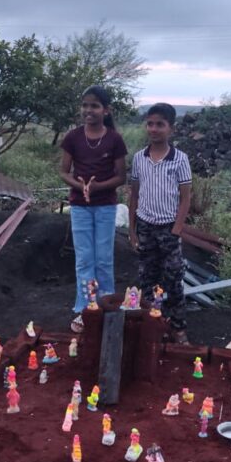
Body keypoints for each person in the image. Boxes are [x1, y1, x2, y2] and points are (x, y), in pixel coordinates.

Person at [59, 85, 128, 333]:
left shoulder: (114, 139)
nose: (89, 110)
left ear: (106, 110)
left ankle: (106, 304)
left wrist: (98, 187)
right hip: (80, 206)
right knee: (84, 258)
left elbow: (121, 176)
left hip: (106, 206)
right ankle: (85, 308)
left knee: (104, 258)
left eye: (95, 106)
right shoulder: (73, 137)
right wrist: (80, 185)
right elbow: (63, 172)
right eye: (85, 105)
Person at [127, 103, 192, 344]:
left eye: (160, 125)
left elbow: (185, 198)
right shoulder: (139, 158)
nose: (154, 129)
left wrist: (176, 229)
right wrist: (132, 230)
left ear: (171, 128)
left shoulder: (180, 159)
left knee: (173, 278)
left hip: (168, 228)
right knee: (147, 278)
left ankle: (178, 328)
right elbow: (134, 195)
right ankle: (152, 326)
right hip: (145, 226)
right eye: (150, 124)